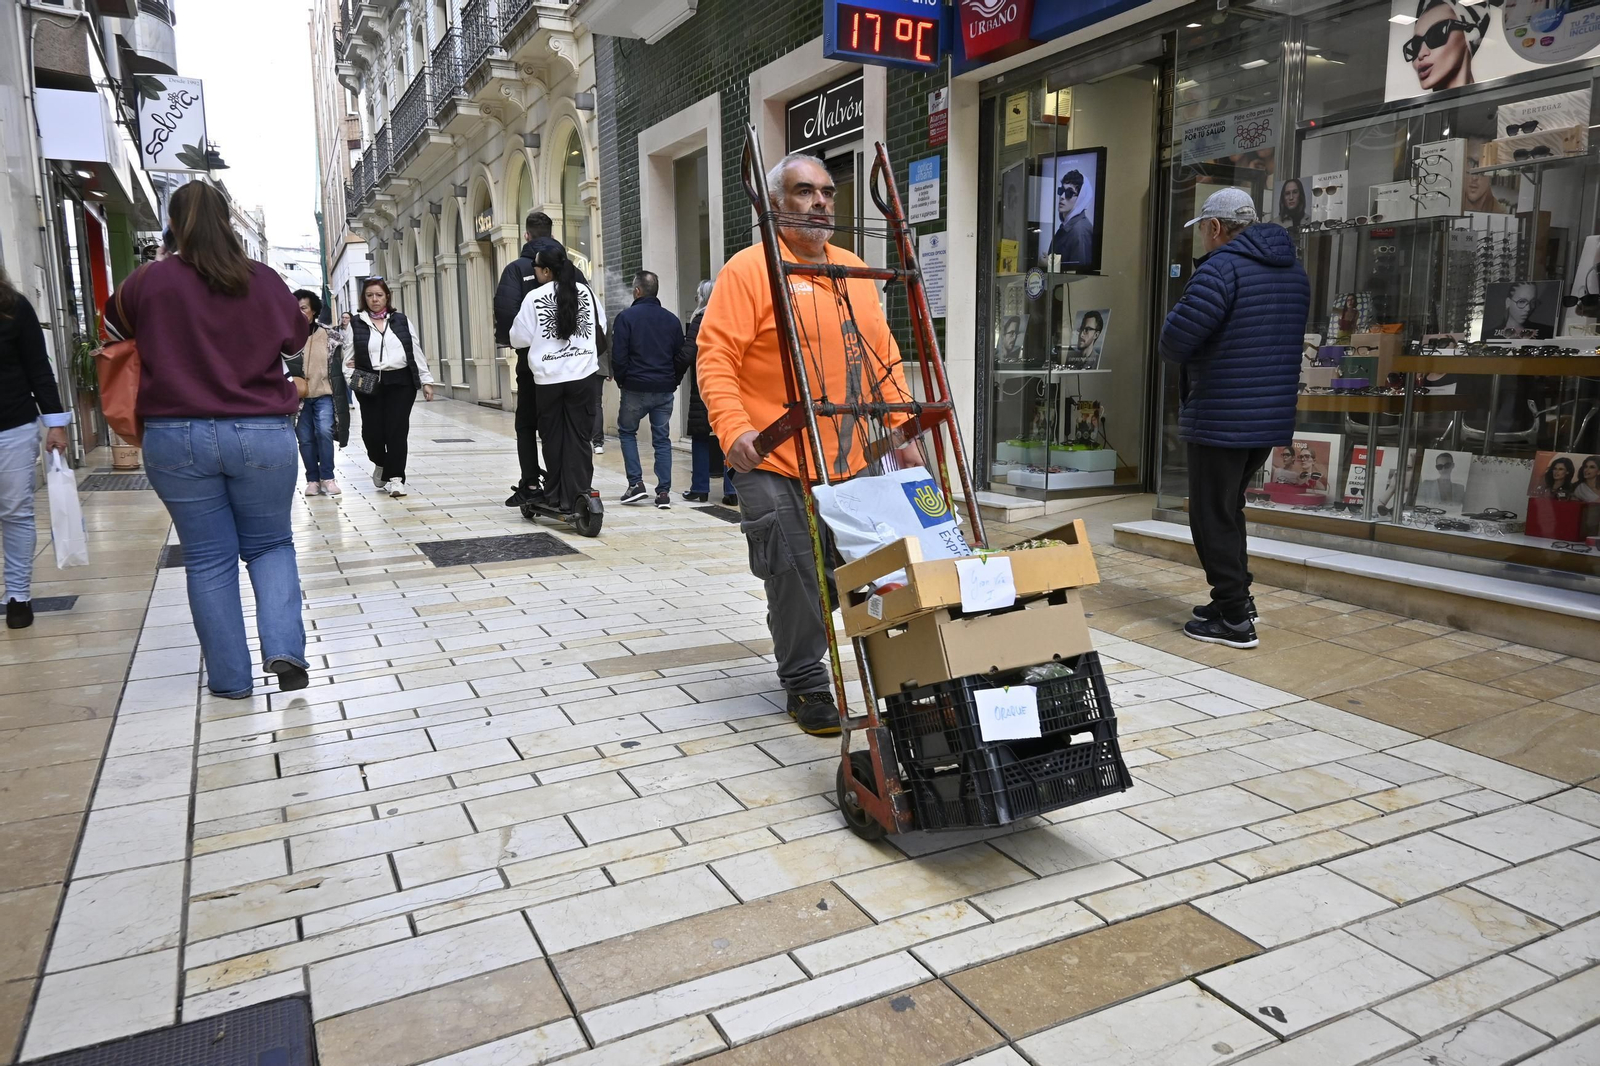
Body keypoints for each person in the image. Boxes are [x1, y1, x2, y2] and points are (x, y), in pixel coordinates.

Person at [697, 152, 920, 736]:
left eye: (826, 192)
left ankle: (898, 671)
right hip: (772, 454)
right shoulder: (749, 270)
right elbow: (716, 357)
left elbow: (884, 355)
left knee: (874, 564)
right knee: (796, 569)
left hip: (849, 452)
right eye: (803, 191)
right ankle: (806, 681)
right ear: (775, 205)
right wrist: (733, 429)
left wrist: (902, 431)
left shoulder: (853, 269)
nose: (820, 201)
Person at [103, 180, 311, 695]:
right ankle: (285, 649)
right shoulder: (263, 279)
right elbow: (295, 340)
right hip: (261, 431)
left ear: (173, 224)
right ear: (227, 223)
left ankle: (230, 679)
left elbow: (112, 334)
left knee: (207, 557)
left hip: (175, 435)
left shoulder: (147, 282)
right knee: (271, 545)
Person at [1159, 187, 1310, 650]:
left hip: (1222, 414)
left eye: (1203, 230)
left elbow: (1174, 342)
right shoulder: (1294, 271)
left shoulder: (1221, 269)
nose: (1203, 239)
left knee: (1211, 515)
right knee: (1228, 508)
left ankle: (1234, 620)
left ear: (1216, 227)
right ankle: (1237, 600)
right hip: (1267, 416)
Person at [494, 211, 587, 506]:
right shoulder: (573, 273)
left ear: (526, 235)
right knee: (571, 429)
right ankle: (572, 488)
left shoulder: (515, 270)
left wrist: (522, 342)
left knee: (529, 425)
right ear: (552, 234)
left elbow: (508, 320)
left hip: (535, 366)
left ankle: (533, 483)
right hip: (577, 367)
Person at [508, 246, 604, 516]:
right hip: (583, 375)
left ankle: (556, 494)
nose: (535, 272)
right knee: (579, 436)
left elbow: (518, 338)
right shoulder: (586, 292)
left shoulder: (534, 298)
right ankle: (579, 491)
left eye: (536, 268)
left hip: (548, 379)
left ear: (547, 271)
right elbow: (602, 326)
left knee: (553, 437)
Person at [0, 269, 71, 630]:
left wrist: (55, 423)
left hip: (12, 426)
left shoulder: (13, 306)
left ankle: (17, 595)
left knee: (15, 511)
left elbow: (38, 368)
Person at [347, 277, 434, 498]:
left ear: (387, 296)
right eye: (370, 295)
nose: (374, 299)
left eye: (379, 295)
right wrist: (353, 380)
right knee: (372, 433)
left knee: (396, 431)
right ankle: (381, 463)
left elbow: (414, 350)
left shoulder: (401, 320)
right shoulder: (356, 323)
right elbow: (347, 359)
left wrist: (426, 380)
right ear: (364, 298)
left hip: (401, 382)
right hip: (368, 381)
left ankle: (396, 478)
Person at [611, 270, 686, 509]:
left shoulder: (626, 318)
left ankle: (636, 484)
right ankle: (663, 493)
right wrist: (673, 380)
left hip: (635, 386)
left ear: (637, 291)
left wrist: (623, 381)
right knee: (662, 439)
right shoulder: (672, 320)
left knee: (627, 432)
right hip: (664, 388)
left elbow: (619, 356)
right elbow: (681, 355)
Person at [288, 289, 349, 496]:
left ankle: (328, 478)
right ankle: (312, 480)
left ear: (313, 310)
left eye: (303, 308)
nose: (299, 312)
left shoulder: (330, 336)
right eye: (295, 308)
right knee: (305, 438)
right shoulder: (286, 336)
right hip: (299, 398)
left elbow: (342, 364)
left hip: (324, 394)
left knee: (324, 432)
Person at [681, 279, 736, 505]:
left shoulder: (700, 320)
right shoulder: (732, 319)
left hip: (705, 384)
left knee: (701, 436)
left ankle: (700, 488)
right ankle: (732, 491)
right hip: (731, 383)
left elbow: (687, 354)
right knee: (729, 435)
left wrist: (673, 375)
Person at [1403, 0, 1486, 93]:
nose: (1420, 54)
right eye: (1416, 45)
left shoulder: (1494, 99)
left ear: (1471, 33)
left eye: (1437, 35)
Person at [1048, 169, 1094, 264]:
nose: (1062, 196)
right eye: (1061, 190)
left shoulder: (1080, 231)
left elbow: (1080, 270)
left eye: (1069, 193)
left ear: (1081, 198)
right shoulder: (1067, 226)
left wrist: (1048, 265)